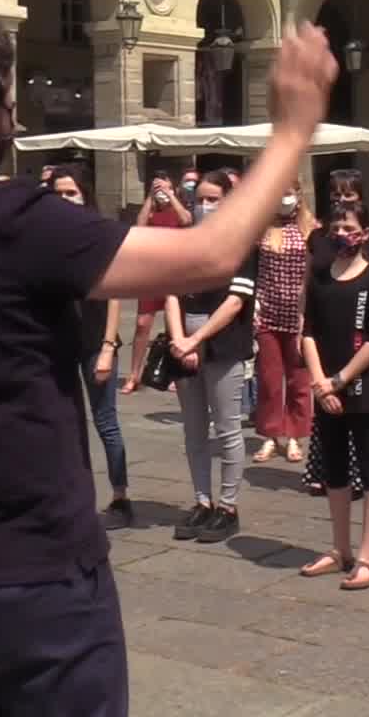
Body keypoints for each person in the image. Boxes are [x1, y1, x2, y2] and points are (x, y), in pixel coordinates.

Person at [0, 2, 335, 716]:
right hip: (28, 569)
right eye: (8, 92)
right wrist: (291, 130)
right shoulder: (11, 221)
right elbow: (209, 256)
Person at [298, 203, 369, 591]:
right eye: (336, 226)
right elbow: (308, 331)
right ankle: (340, 549)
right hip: (327, 390)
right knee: (334, 472)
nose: (342, 233)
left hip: (362, 388)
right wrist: (321, 383)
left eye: (350, 226)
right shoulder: (321, 277)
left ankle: (368, 556)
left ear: (366, 233)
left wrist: (338, 380)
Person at [166, 169, 260, 542]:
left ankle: (228, 505)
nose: (204, 205)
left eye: (212, 199)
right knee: (192, 429)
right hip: (184, 342)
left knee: (227, 427)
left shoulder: (242, 243)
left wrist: (196, 339)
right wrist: (178, 338)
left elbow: (235, 301)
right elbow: (170, 291)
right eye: (199, 199)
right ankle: (202, 501)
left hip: (223, 345)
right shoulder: (185, 241)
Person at [50, 166, 132, 530]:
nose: (65, 199)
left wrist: (109, 347)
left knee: (106, 423)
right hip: (58, 344)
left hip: (95, 343)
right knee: (67, 425)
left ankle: (121, 497)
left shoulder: (99, 236)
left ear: (85, 194)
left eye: (71, 193)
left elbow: (114, 296)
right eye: (59, 193)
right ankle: (76, 498)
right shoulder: (45, 237)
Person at [252, 180, 317, 464]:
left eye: (288, 194)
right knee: (268, 380)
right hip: (267, 311)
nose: (283, 199)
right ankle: (269, 436)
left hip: (299, 314)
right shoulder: (263, 227)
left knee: (299, 380)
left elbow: (315, 274)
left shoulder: (311, 229)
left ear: (298, 196)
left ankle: (294, 436)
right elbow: (252, 268)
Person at [122, 173, 190, 394]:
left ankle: (173, 373)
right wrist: (151, 197)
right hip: (151, 273)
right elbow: (139, 226)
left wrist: (170, 195)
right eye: (158, 188)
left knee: (174, 326)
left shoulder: (179, 208)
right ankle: (134, 375)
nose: (162, 193)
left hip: (174, 273)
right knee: (142, 324)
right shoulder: (150, 211)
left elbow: (186, 220)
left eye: (166, 188)